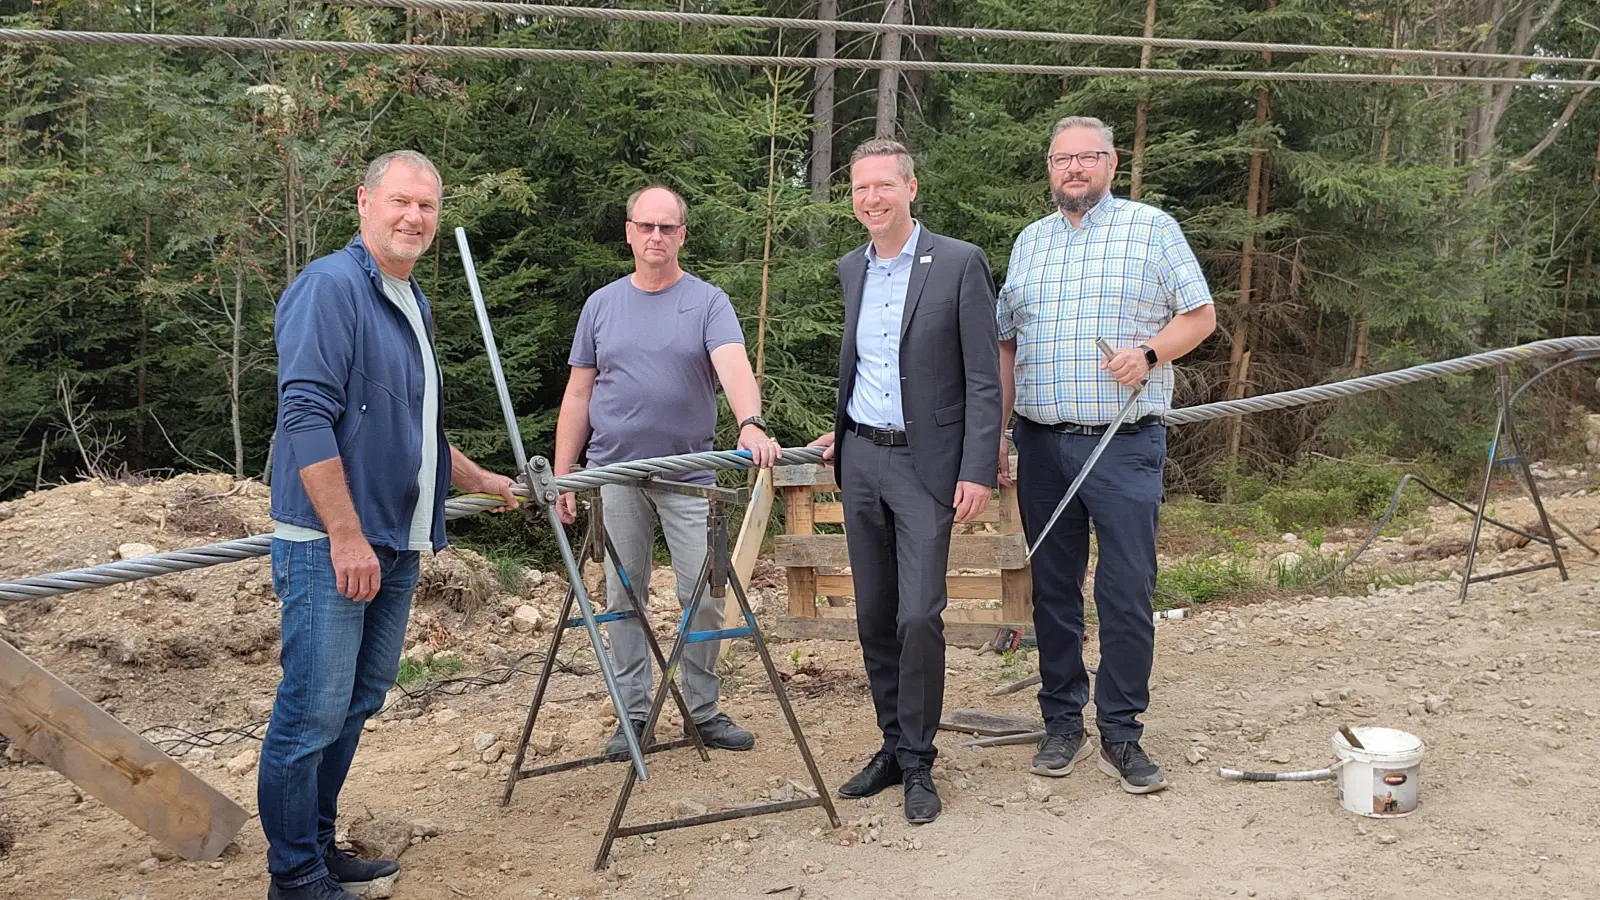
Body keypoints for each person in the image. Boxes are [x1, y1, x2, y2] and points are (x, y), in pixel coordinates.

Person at [263, 150, 520, 900]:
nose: (414, 218)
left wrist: (475, 479)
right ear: (364, 202)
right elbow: (305, 416)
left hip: (398, 540)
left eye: (427, 208)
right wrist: (344, 534)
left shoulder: (409, 299)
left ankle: (316, 844)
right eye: (401, 202)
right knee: (311, 711)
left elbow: (414, 422)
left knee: (359, 700)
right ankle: (294, 876)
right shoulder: (330, 289)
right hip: (332, 543)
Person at [996, 116, 1216, 794]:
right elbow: (1007, 343)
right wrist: (999, 435)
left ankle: (1121, 731)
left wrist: (1149, 354)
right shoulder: (1029, 243)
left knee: (1124, 593)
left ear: (1111, 163)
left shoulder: (1153, 228)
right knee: (1054, 593)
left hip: (1124, 446)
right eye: (1061, 159)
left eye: (1086, 157)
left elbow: (1200, 316)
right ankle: (1063, 719)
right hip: (1040, 444)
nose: (1073, 169)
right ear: (1050, 168)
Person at [809, 139, 1001, 825]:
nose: (871, 199)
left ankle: (920, 760)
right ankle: (892, 745)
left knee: (919, 614)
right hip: (860, 458)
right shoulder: (851, 268)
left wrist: (979, 466)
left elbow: (983, 375)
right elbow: (867, 365)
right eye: (861, 188)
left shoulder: (956, 263)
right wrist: (842, 429)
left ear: (911, 189)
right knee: (873, 614)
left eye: (884, 185)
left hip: (928, 467)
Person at [553, 185, 782, 757]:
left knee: (704, 593)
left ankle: (702, 712)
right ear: (629, 232)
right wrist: (564, 474)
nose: (657, 236)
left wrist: (750, 422)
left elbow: (732, 364)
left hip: (689, 473)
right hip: (614, 473)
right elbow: (579, 394)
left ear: (682, 234)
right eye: (646, 226)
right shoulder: (601, 306)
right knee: (622, 597)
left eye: (668, 228)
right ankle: (633, 716)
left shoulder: (707, 301)